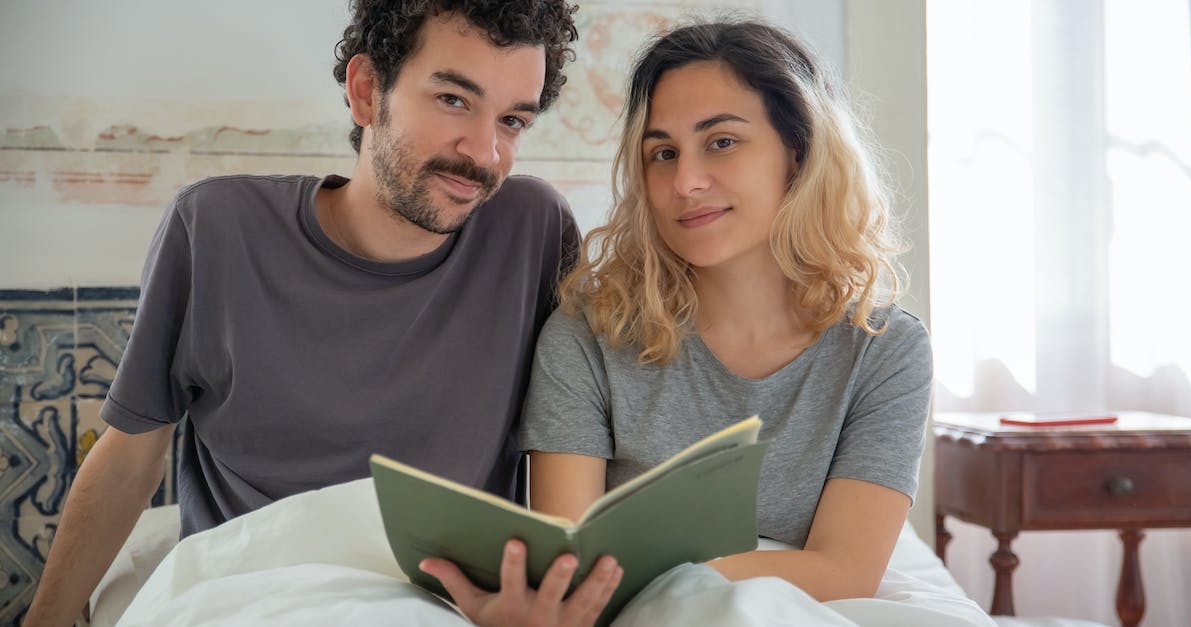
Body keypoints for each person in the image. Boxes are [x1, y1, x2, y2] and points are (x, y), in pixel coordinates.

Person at [26, 2, 620, 625]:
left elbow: (582, 424)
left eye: (513, 120)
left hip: (437, 609)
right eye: (452, 99)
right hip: (245, 598)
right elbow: (128, 462)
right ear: (367, 92)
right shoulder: (215, 231)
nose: (485, 153)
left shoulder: (532, 231)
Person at [518, 19, 933, 603]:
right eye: (663, 153)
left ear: (799, 150)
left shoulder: (884, 348)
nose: (685, 181)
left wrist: (650, 572)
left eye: (722, 141)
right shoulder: (588, 334)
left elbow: (847, 574)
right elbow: (570, 573)